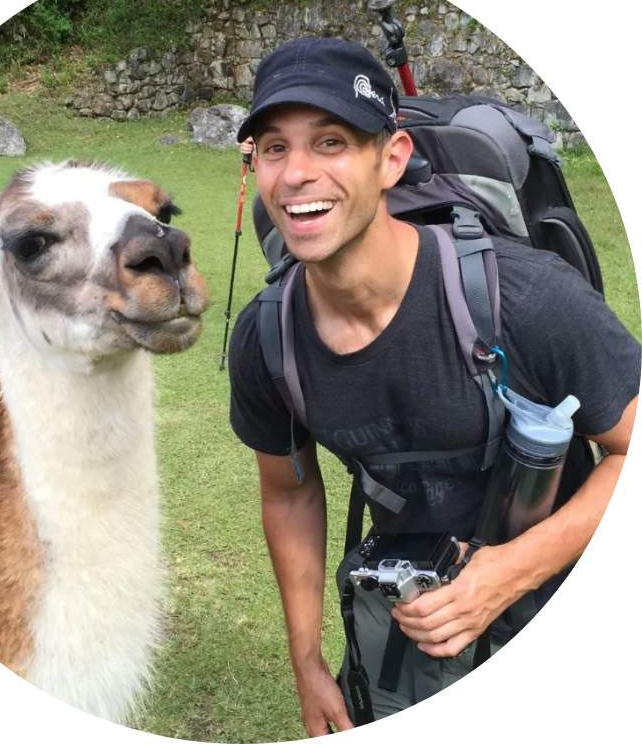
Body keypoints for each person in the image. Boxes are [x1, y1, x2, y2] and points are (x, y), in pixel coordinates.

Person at [226, 36, 640, 735]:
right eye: (273, 147)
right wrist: (308, 662)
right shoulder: (269, 339)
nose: (296, 173)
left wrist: (510, 571)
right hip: (413, 632)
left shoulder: (522, 297)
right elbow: (289, 490)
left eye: (331, 142)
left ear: (390, 159)